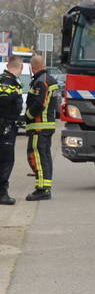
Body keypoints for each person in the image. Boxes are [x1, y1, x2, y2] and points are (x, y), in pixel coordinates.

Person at [25, 55, 59, 201]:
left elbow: (39, 104)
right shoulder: (50, 79)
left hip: (40, 126)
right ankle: (44, 187)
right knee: (44, 157)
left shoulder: (41, 81)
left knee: (37, 156)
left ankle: (42, 189)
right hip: (47, 125)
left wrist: (27, 115)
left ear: (33, 67)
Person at [0, 56, 24, 205]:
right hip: (5, 127)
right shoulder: (7, 81)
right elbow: (3, 100)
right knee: (6, 160)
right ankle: (2, 194)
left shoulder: (9, 80)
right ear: (19, 66)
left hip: (7, 124)